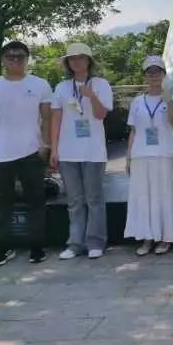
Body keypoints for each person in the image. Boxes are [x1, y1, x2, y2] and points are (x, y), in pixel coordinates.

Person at [0, 41, 53, 267]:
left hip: (32, 151)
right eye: (11, 56)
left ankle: (37, 247)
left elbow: (47, 117)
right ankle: (3, 247)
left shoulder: (40, 84)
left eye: (20, 56)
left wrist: (46, 145)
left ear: (27, 59)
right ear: (3, 60)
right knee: (2, 204)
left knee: (36, 201)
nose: (16, 60)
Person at [50, 43, 113, 260]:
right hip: (68, 152)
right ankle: (75, 243)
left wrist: (91, 96)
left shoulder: (101, 84)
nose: (76, 62)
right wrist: (54, 149)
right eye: (72, 58)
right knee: (75, 200)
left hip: (93, 151)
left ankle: (96, 242)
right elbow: (56, 119)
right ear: (68, 63)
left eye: (81, 57)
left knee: (94, 198)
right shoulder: (61, 87)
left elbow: (101, 115)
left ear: (89, 61)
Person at [124, 55, 173, 255]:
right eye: (150, 73)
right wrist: (128, 158)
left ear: (163, 74)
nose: (153, 76)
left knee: (164, 196)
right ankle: (147, 238)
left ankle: (166, 237)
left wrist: (169, 102)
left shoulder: (170, 97)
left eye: (157, 72)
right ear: (145, 76)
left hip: (163, 154)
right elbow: (133, 131)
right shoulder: (137, 102)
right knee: (143, 198)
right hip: (141, 155)